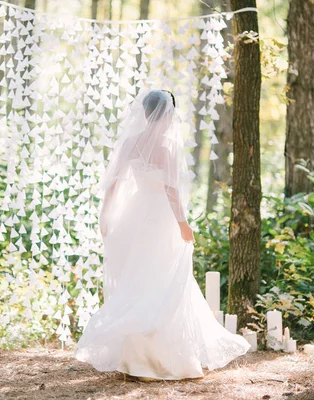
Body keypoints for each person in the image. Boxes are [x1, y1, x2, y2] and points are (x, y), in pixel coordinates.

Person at [74, 89, 250, 381]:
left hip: (134, 215)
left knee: (140, 279)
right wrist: (183, 223)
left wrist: (106, 216)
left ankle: (138, 360)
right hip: (160, 219)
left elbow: (112, 185)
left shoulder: (130, 143)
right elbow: (171, 191)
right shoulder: (166, 147)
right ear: (165, 115)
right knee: (163, 280)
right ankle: (163, 360)